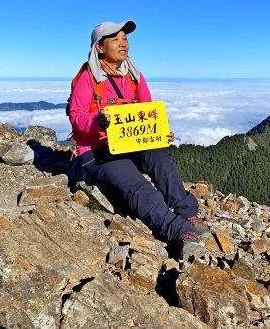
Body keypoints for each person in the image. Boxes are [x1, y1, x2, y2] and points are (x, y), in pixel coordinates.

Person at [68, 20, 210, 259]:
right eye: (115, 39)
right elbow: (76, 117)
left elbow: (147, 111)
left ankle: (187, 212)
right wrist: (96, 122)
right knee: (137, 187)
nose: (123, 43)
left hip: (130, 142)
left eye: (125, 38)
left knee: (161, 160)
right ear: (99, 47)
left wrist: (159, 132)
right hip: (98, 149)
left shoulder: (133, 75)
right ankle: (178, 232)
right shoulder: (88, 78)